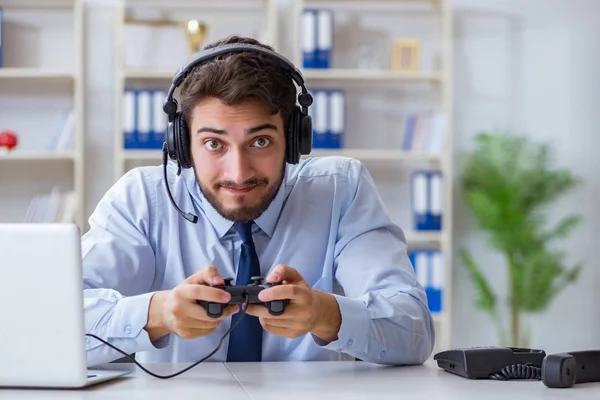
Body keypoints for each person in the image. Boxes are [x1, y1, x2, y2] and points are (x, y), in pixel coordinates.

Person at [82, 35, 435, 367]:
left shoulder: (341, 190)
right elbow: (51, 323)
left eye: (261, 142)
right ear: (182, 144)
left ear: (295, 139)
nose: (238, 173)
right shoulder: (143, 198)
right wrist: (158, 313)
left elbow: (413, 330)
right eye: (214, 144)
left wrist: (325, 315)